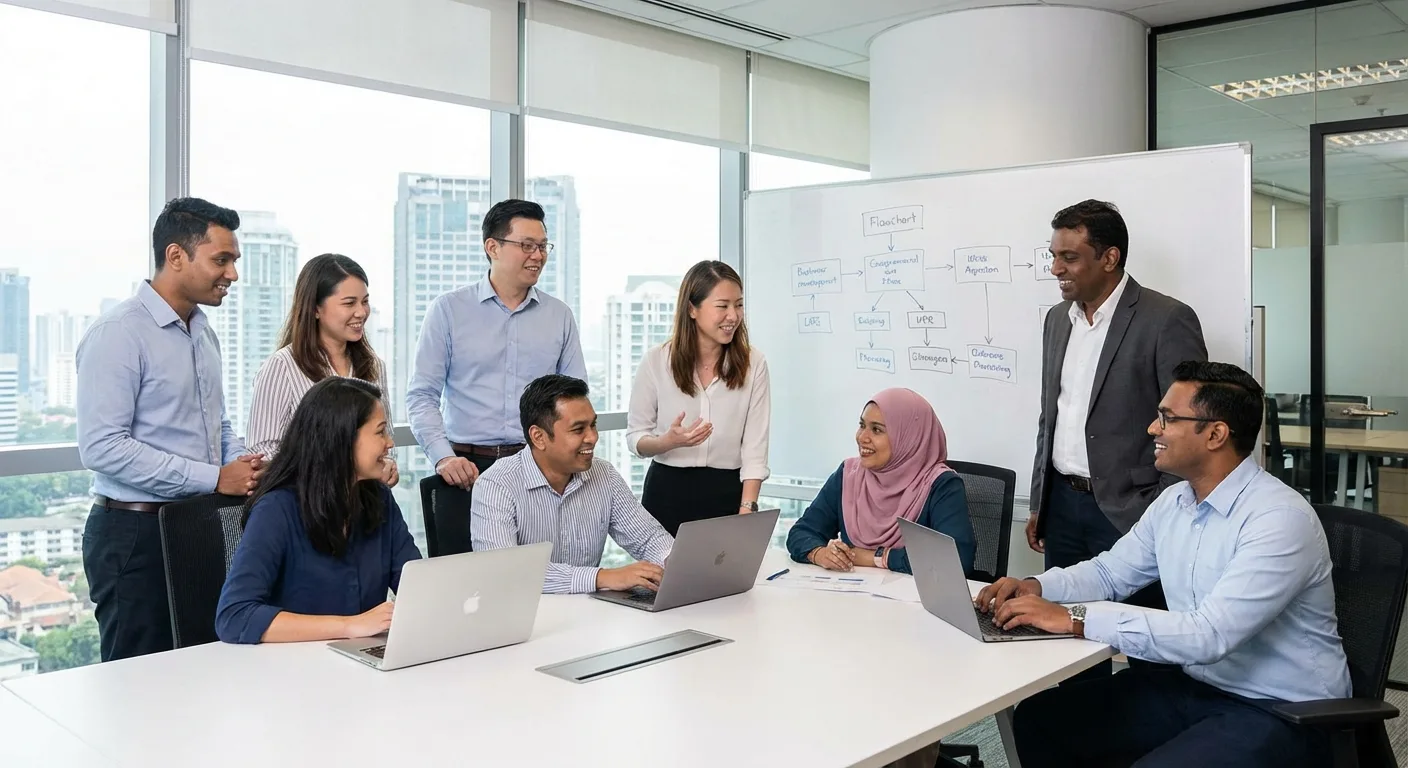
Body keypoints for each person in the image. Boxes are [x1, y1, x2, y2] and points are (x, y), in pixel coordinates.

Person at [977, 362, 1349, 768]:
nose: (1153, 429)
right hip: (1195, 686)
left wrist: (1073, 617)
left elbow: (1209, 635)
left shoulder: (1278, 519)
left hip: (1281, 709)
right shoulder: (1175, 502)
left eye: (1167, 418)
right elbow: (1109, 573)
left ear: (1215, 434)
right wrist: (1036, 587)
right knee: (1040, 719)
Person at [76, 197, 264, 661]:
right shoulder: (119, 332)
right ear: (176, 255)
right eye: (221, 260)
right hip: (134, 534)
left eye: (234, 261)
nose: (233, 274)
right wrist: (215, 478)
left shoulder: (203, 332)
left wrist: (240, 461)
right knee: (138, 678)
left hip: (196, 525)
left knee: (202, 667)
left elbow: (216, 423)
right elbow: (102, 447)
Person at [1028, 199, 1207, 675]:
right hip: (1063, 505)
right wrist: (1040, 499)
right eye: (1053, 255)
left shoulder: (1165, 319)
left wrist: (1166, 508)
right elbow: (1051, 415)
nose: (1056, 268)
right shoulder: (1056, 320)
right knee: (1064, 642)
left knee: (1148, 648)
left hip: (1134, 507)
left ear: (1110, 258)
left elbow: (1190, 424)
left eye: (1069, 257)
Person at [216, 377, 421, 644]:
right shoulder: (276, 510)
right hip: (293, 663)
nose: (390, 442)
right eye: (380, 432)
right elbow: (234, 616)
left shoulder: (379, 499)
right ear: (343, 438)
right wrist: (350, 626)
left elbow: (415, 586)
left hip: (361, 658)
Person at [407, 199, 586, 492]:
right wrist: (443, 457)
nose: (538, 255)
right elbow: (422, 395)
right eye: (527, 245)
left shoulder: (559, 315)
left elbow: (574, 397)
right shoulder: (448, 310)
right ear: (493, 247)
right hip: (465, 469)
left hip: (538, 464)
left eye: (543, 246)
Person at [472, 374, 673, 594]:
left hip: (588, 610)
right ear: (539, 437)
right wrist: (600, 577)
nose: (592, 437)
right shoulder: (496, 485)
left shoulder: (604, 474)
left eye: (593, 425)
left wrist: (673, 562)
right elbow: (503, 571)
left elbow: (648, 539)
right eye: (578, 429)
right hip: (525, 610)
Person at [626, 261, 771, 537]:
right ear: (692, 309)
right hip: (666, 492)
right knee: (661, 567)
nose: (733, 316)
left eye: (739, 305)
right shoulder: (656, 361)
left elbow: (755, 447)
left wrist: (748, 508)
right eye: (722, 306)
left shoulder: (754, 363)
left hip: (727, 492)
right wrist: (667, 442)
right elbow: (636, 437)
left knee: (729, 566)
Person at [786, 388, 975, 576]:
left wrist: (877, 558)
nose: (862, 437)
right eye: (862, 425)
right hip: (851, 591)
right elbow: (801, 533)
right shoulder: (849, 474)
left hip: (911, 594)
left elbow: (956, 560)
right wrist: (820, 554)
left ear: (908, 438)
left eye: (876, 430)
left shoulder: (941, 485)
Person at [245, 253, 397, 486]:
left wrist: (388, 466)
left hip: (365, 500)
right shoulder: (283, 366)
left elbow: (385, 439)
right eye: (349, 303)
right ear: (315, 309)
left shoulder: (374, 366)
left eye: (365, 301)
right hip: (306, 500)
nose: (361, 312)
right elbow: (262, 451)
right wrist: (331, 473)